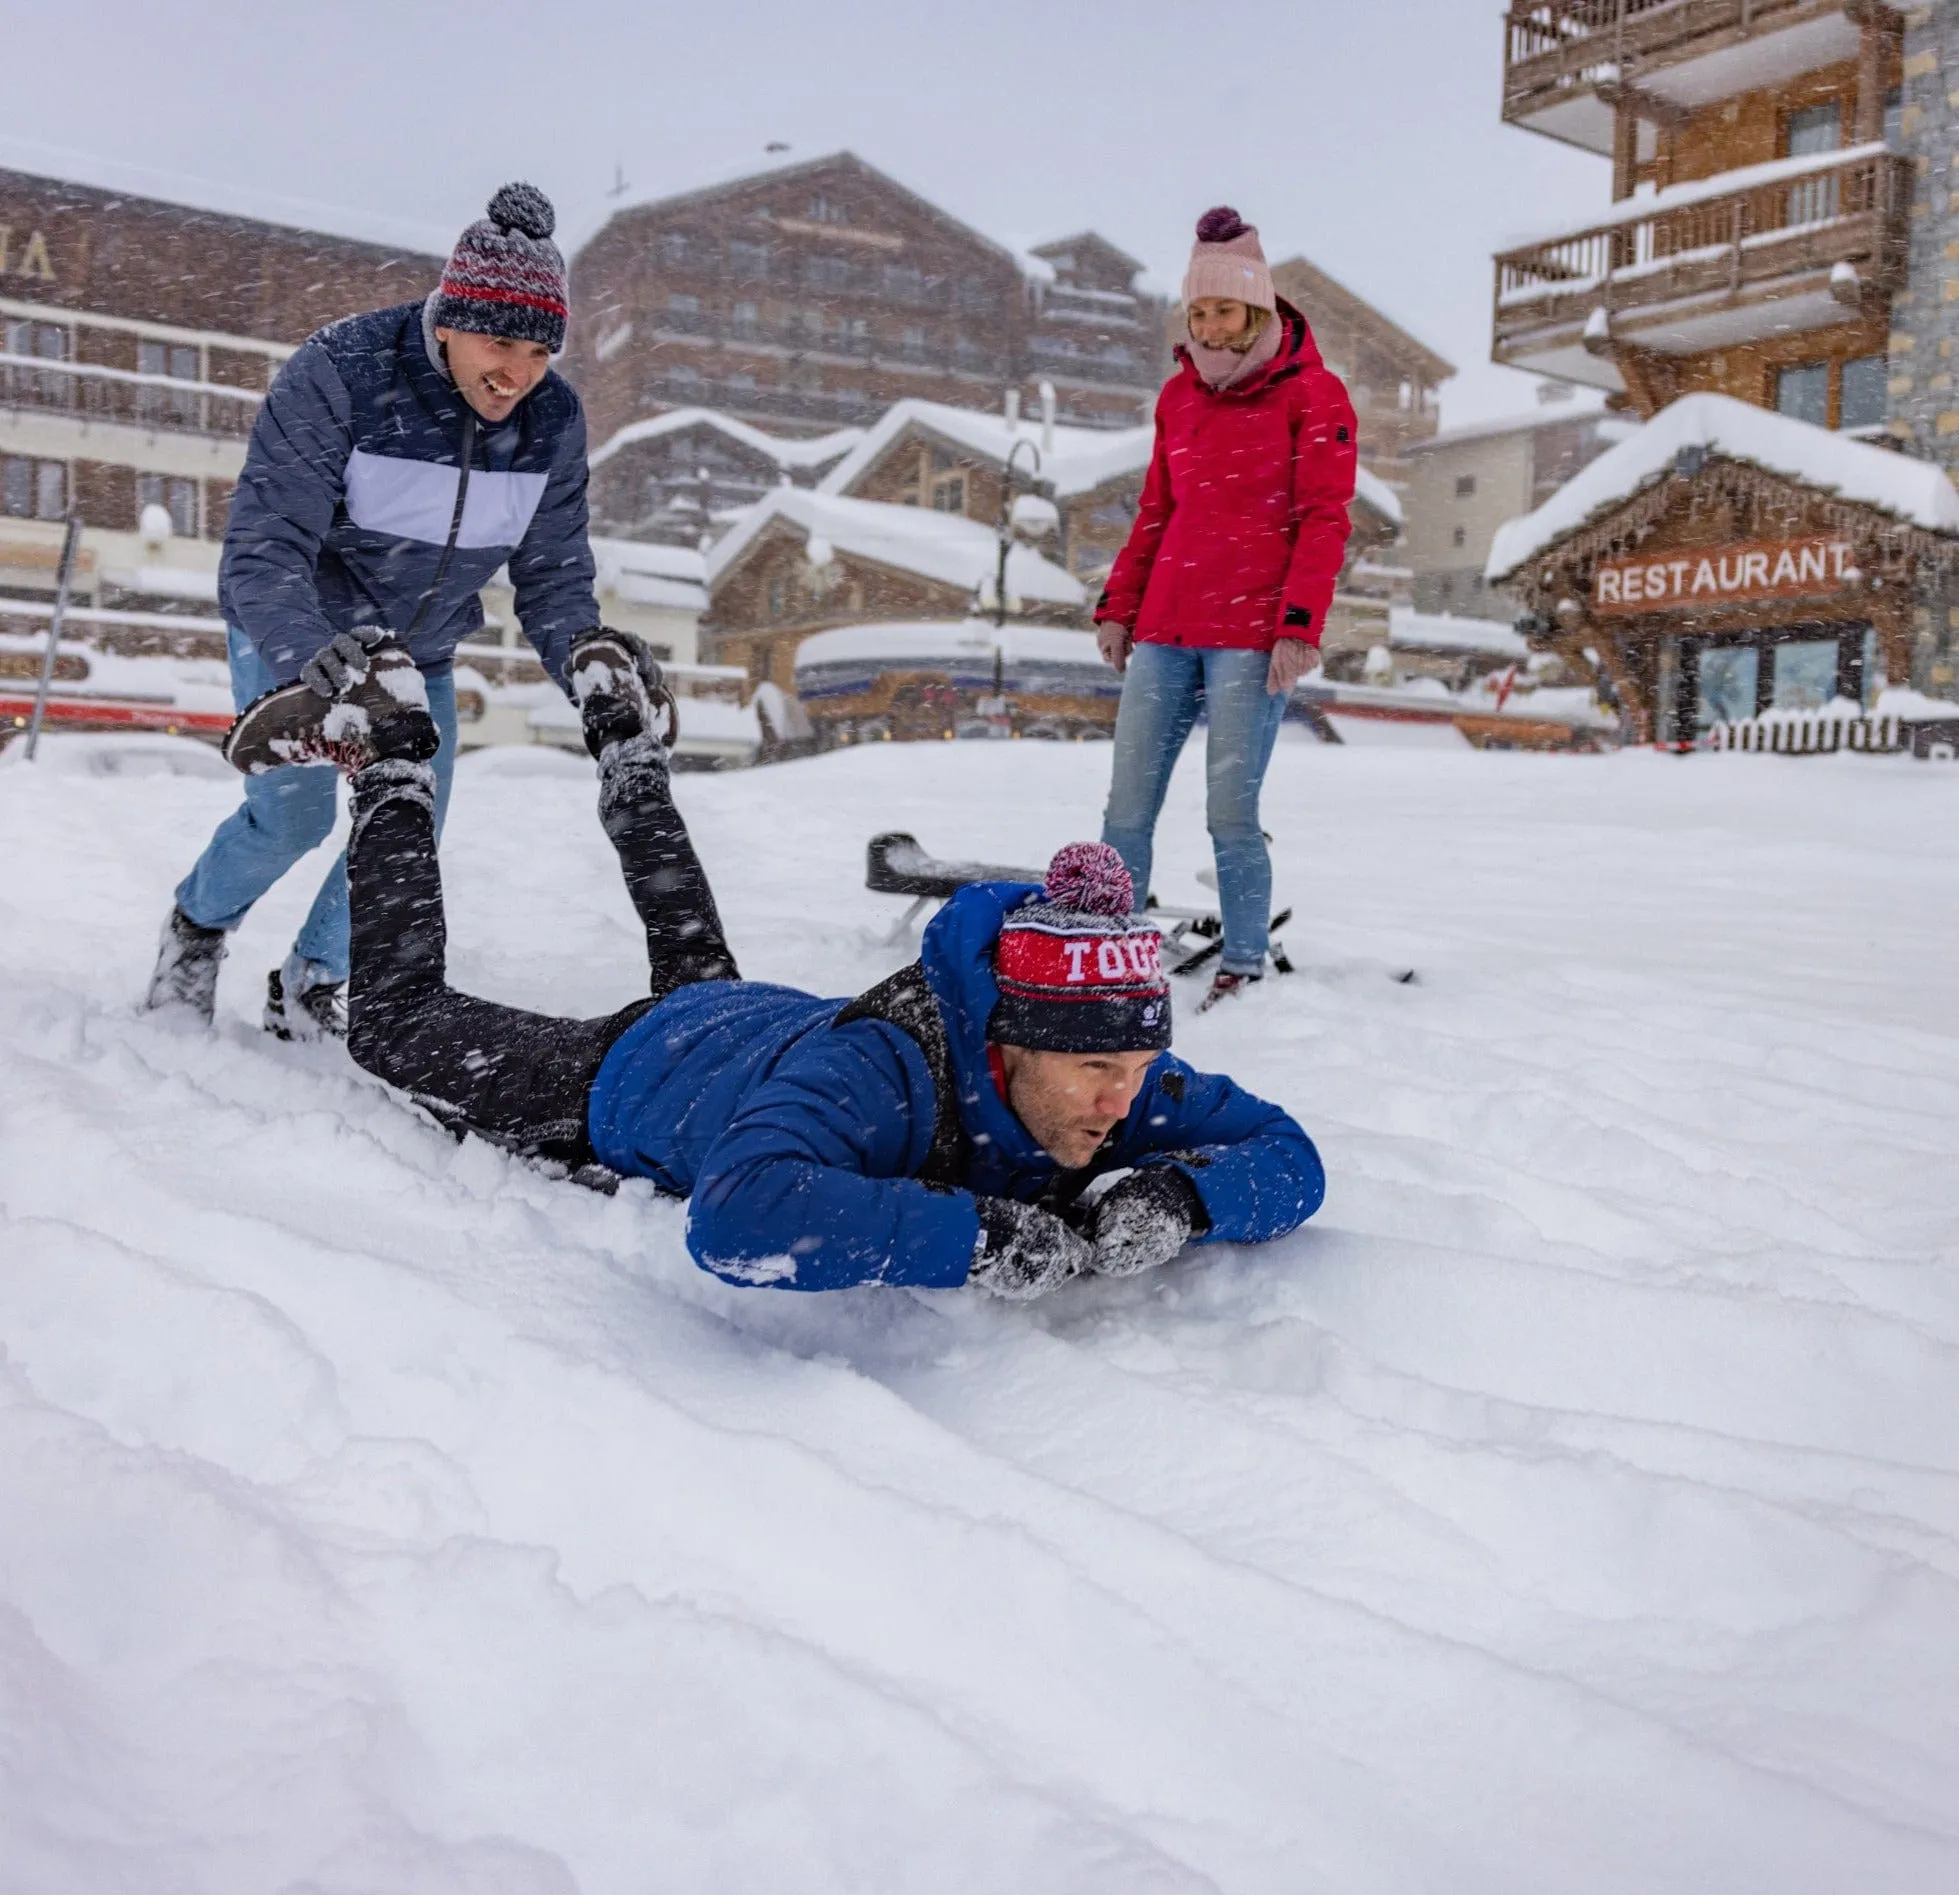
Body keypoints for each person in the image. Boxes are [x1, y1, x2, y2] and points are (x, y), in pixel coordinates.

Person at [217, 639, 1327, 1298]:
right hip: (633, 1077)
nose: (1121, 1099)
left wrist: (1183, 1196)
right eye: (1095, 1073)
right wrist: (975, 1238)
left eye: (1140, 1066)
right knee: (397, 1025)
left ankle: (630, 745)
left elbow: (1292, 1156)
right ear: (1006, 1040)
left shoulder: (1111, 1071)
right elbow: (738, 1218)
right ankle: (394, 759)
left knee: (691, 953)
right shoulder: (882, 1077)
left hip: (751, 1029)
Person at [144, 181, 630, 1040]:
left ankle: (314, 978)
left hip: (421, 650)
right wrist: (307, 652)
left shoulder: (551, 422)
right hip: (303, 628)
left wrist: (586, 656)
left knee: (412, 818)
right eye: (498, 341)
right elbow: (264, 546)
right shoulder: (344, 372)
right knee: (294, 812)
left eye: (540, 351)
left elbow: (552, 575)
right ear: (449, 316)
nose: (516, 373)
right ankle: (197, 927)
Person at [1095, 206, 1358, 1011]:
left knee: (1230, 812)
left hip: (1250, 638)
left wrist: (1297, 626)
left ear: (1259, 309)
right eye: (1197, 310)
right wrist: (1119, 605)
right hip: (1166, 630)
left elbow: (1324, 517)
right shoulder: (1177, 398)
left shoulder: (1312, 395)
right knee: (1125, 806)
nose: (1209, 325)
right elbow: (1154, 512)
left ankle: (1242, 959)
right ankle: (1111, 950)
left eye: (1224, 309)